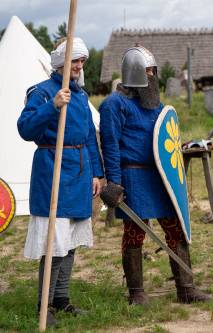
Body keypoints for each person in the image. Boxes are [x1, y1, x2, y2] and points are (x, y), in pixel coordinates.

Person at [98, 45, 210, 305]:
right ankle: (136, 293)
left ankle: (186, 288)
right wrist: (113, 182)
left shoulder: (157, 108)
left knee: (175, 229)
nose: (151, 75)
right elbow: (110, 145)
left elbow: (164, 138)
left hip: (160, 179)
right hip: (133, 178)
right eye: (147, 71)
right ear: (134, 72)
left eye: (153, 71)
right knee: (136, 232)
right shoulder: (114, 104)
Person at [18, 37, 103, 326]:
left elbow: (90, 135)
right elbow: (25, 129)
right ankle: (46, 305)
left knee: (71, 243)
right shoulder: (41, 93)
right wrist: (52, 106)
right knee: (55, 243)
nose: (79, 66)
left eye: (81, 61)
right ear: (60, 63)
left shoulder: (80, 95)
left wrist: (96, 173)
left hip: (79, 173)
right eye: (73, 61)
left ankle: (62, 299)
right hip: (52, 170)